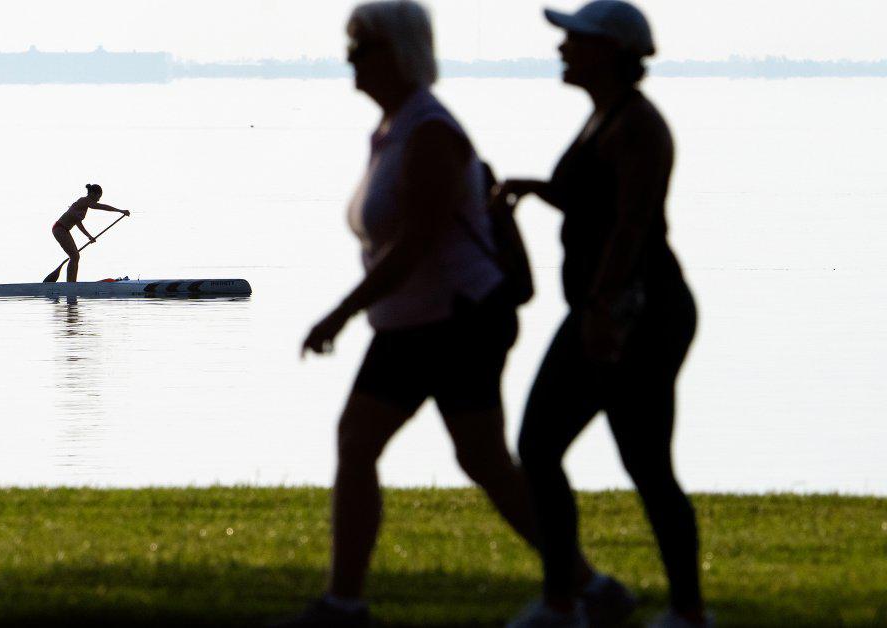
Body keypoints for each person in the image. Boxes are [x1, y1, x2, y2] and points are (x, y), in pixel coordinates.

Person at [277, 2, 615, 626]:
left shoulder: (429, 131)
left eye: (362, 47)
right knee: (442, 454)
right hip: (416, 320)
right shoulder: (394, 128)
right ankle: (587, 586)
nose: (350, 59)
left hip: (457, 320)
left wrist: (339, 315)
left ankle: (345, 604)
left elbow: (418, 243)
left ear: (398, 54)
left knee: (407, 448)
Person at [496, 2, 710, 627]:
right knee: (544, 447)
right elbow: (596, 200)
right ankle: (570, 600)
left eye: (575, 41)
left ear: (610, 52)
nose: (562, 49)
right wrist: (538, 190)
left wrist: (600, 310)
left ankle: (678, 612)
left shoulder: (639, 126)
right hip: (607, 307)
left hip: (634, 312)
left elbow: (632, 226)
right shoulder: (607, 118)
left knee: (634, 460)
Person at [51, 183, 129, 282]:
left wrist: (89, 236)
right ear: (92, 193)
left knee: (75, 256)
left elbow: (77, 222)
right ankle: (71, 284)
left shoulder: (83, 206)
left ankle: (71, 282)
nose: (98, 199)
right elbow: (101, 207)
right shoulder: (84, 200)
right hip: (59, 229)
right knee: (74, 256)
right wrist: (120, 210)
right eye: (98, 196)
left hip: (63, 230)